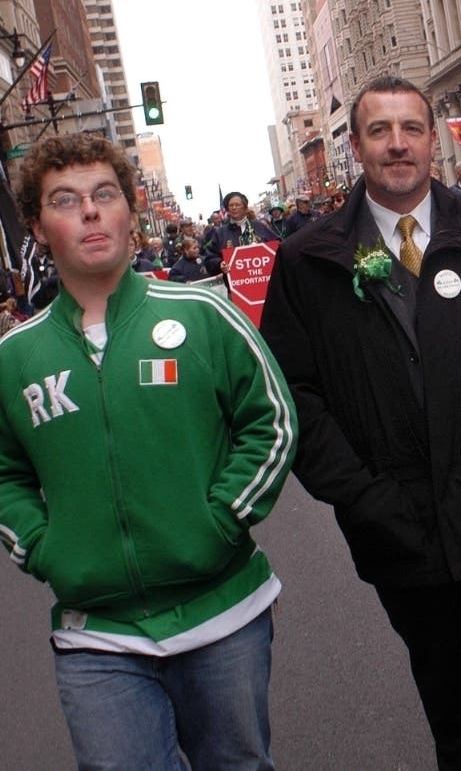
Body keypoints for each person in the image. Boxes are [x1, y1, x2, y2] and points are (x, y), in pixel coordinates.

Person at [259, 75, 461, 771]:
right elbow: (293, 396)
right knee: (456, 712)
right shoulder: (308, 260)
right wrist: (364, 496)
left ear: (432, 138)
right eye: (379, 131)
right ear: (355, 146)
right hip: (398, 531)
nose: (397, 144)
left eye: (411, 127)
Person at [0, 132, 297, 769]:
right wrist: (44, 545)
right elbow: (4, 476)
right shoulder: (15, 357)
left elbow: (269, 422)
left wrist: (220, 520)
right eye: (65, 199)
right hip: (95, 632)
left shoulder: (202, 314)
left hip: (223, 613)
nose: (89, 210)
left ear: (130, 211)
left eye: (104, 194)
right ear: (37, 225)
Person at [204, 190, 257, 276]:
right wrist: (220, 264)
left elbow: (277, 248)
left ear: (245, 208)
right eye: (231, 205)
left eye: (237, 205)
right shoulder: (221, 233)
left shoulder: (258, 226)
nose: (234, 208)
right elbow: (209, 258)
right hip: (235, 284)